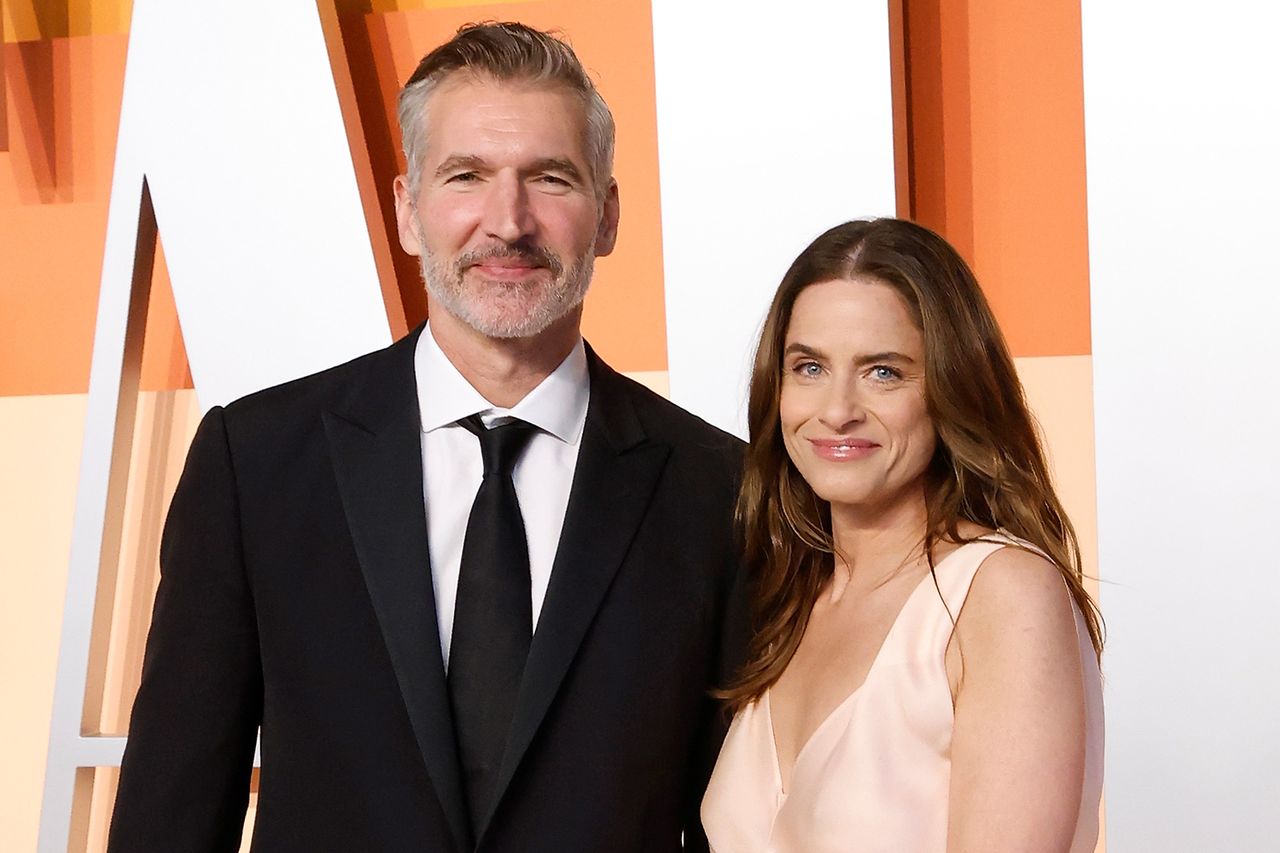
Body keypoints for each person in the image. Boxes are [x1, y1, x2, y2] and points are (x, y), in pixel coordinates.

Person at [108, 23, 745, 853]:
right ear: (408, 210)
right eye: (466, 176)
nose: (508, 222)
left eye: (550, 178)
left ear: (609, 213)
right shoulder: (257, 463)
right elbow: (172, 810)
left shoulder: (718, 489)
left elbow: (739, 820)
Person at [701, 218, 1104, 852]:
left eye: (882, 372)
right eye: (808, 367)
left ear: (949, 387)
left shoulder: (1001, 593)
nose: (837, 409)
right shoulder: (790, 602)